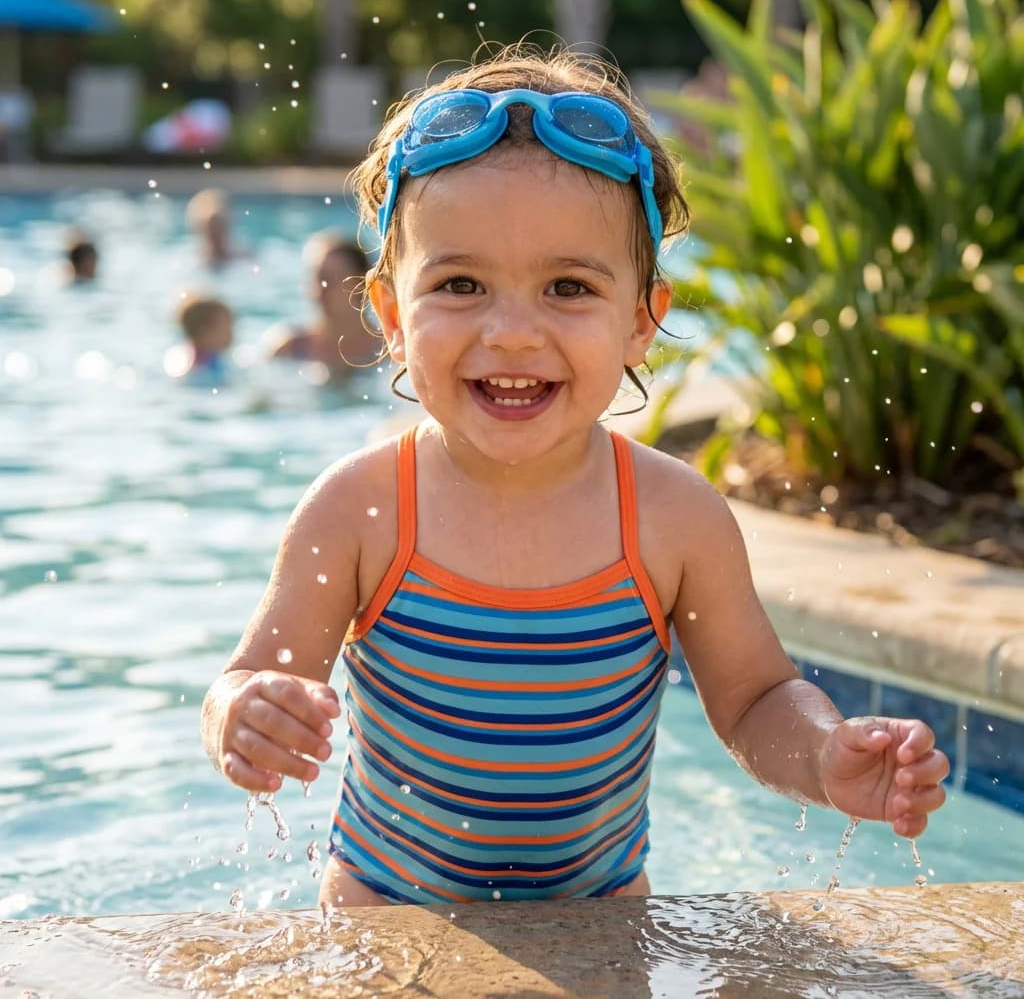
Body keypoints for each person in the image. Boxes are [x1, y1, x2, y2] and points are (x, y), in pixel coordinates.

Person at [201, 46, 949, 908]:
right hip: (386, 916)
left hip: (603, 920)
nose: (513, 332)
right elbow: (249, 674)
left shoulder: (673, 519)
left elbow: (754, 701)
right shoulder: (361, 507)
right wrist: (244, 715)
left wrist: (825, 753)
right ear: (393, 317)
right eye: (461, 283)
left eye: (566, 286)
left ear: (641, 322)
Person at [265, 231, 380, 378]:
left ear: (361, 285)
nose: (320, 291)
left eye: (330, 280)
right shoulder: (287, 349)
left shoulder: (390, 352)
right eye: (315, 279)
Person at [166, 293, 234, 381]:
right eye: (226, 326)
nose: (231, 332)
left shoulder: (184, 355)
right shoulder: (203, 364)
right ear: (205, 332)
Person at [185, 188, 245, 270]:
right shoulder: (188, 261)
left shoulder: (243, 260)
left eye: (218, 225)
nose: (215, 232)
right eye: (209, 227)